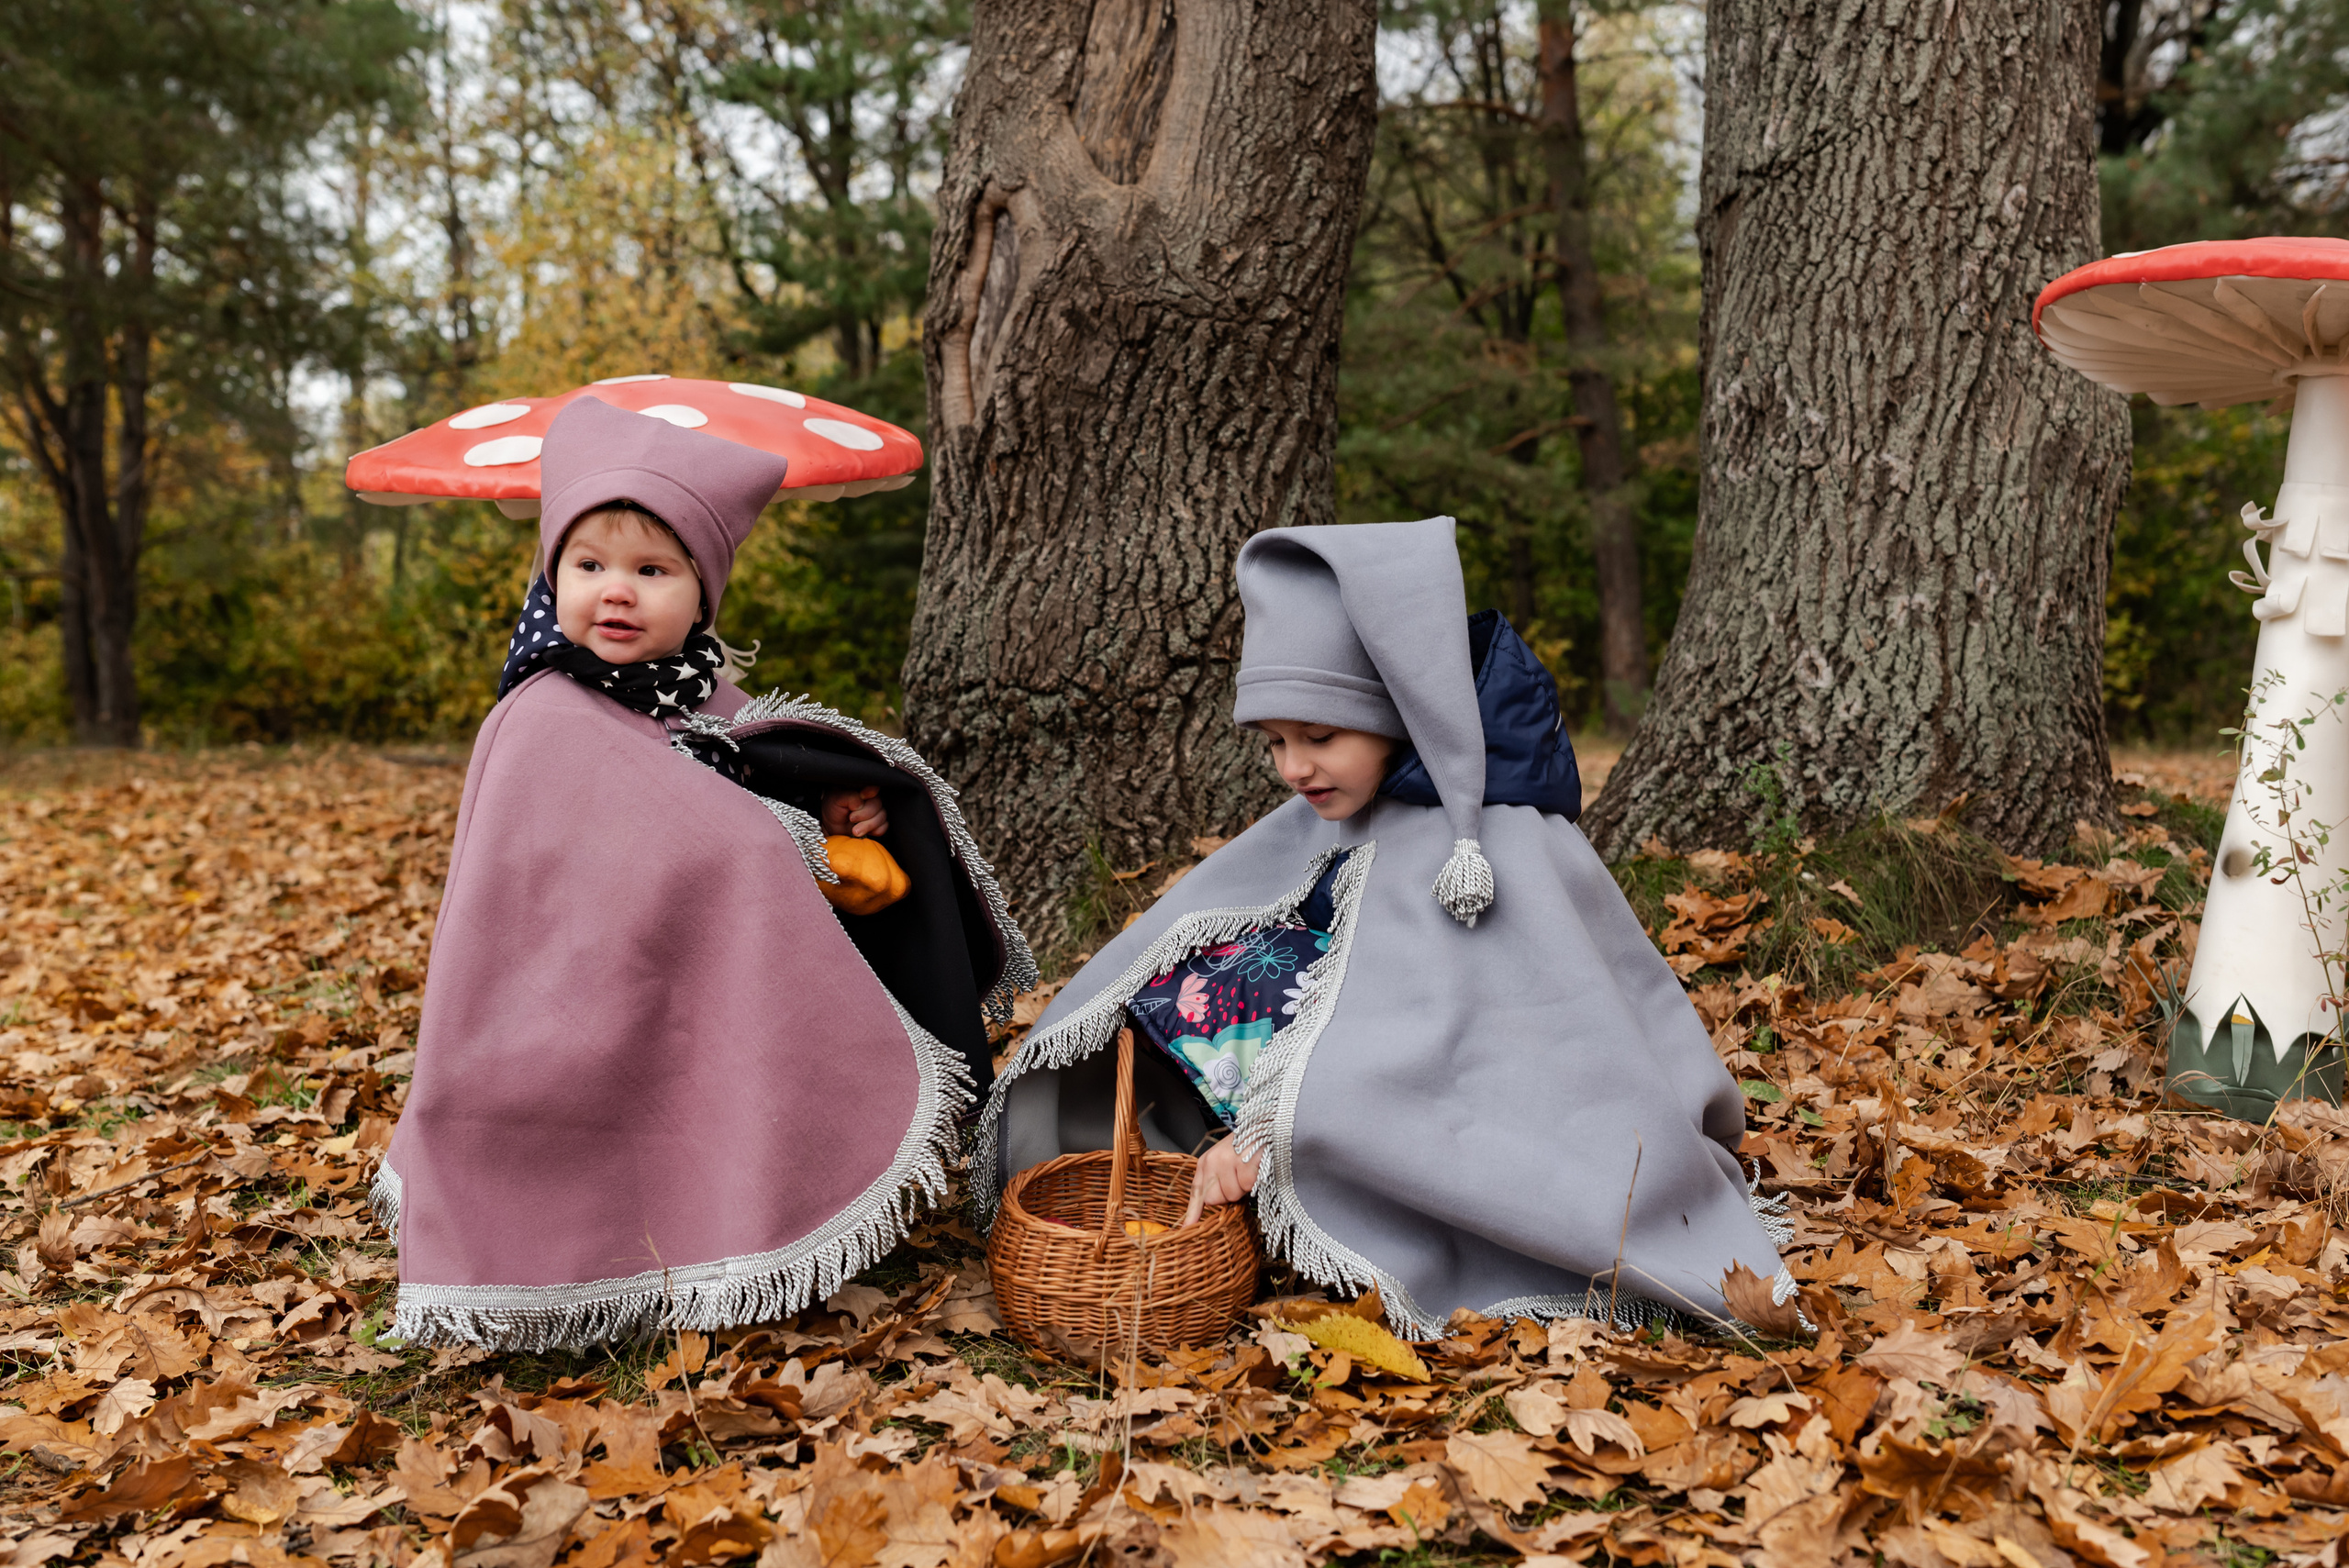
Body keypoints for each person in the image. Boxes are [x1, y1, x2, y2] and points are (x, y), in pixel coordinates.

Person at [979, 517, 1790, 1335]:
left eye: (1321, 737)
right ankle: (1234, 1184)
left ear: (1401, 711)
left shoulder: (1492, 842)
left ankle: (1309, 1185)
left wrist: (1274, 1133)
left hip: (1500, 1115)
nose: (1295, 768)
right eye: (1275, 742)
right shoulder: (1352, 810)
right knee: (1192, 987)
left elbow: (1448, 1042)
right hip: (1334, 1060)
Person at [377, 395, 1034, 1351]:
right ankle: (577, 1249)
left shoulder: (696, 695)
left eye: (652, 569)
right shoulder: (544, 711)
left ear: (703, 589)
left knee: (725, 1032)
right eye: (588, 564)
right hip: (560, 998)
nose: (616, 591)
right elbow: (694, 836)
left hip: (667, 977)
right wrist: (787, 848)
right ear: (551, 574)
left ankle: (723, 1207)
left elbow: (730, 779)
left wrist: (826, 813)